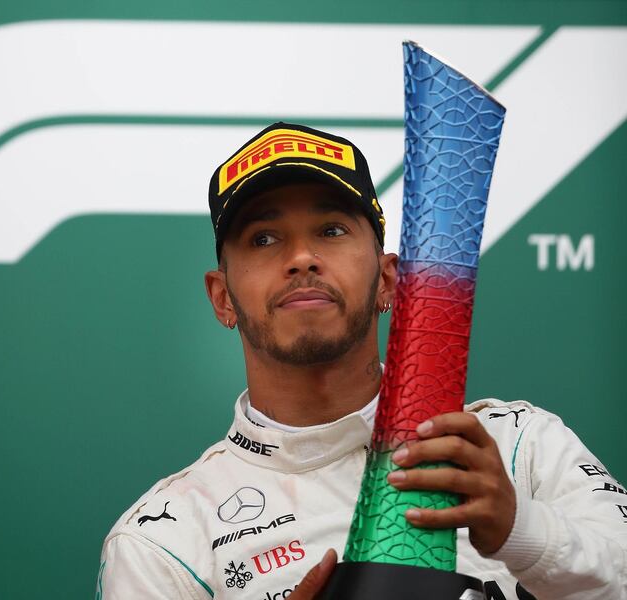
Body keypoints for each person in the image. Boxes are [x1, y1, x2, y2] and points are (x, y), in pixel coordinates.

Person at [96, 123, 626, 600]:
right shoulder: (163, 543)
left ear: (388, 279)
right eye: (263, 237)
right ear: (222, 298)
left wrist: (521, 531)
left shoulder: (518, 448)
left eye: (331, 230)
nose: (301, 257)